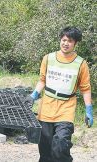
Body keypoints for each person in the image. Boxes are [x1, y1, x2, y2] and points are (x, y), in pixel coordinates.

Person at [27, 27, 93, 162]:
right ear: (60, 40)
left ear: (75, 43)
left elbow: (85, 88)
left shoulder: (81, 63)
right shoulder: (48, 58)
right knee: (45, 150)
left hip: (66, 109)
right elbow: (42, 80)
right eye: (63, 40)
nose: (65, 43)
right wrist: (33, 95)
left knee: (60, 145)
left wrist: (88, 110)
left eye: (69, 41)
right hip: (46, 108)